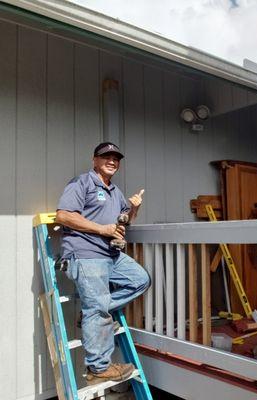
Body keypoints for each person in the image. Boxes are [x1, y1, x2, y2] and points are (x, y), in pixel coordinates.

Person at [56, 142, 150, 385]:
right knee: (97, 309)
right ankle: (97, 369)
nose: (112, 161)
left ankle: (94, 312)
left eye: (116, 158)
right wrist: (102, 229)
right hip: (85, 254)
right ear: (94, 160)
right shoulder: (82, 182)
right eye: (106, 156)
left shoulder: (115, 191)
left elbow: (123, 221)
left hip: (110, 254)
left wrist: (133, 209)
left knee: (140, 280)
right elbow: (63, 215)